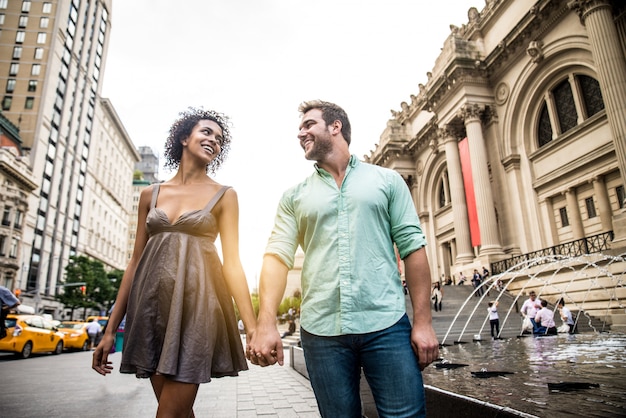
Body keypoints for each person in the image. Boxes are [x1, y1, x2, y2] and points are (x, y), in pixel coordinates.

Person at [249, 100, 439, 417]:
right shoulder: (294, 197)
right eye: (300, 128)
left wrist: (423, 322)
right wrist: (266, 322)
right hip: (321, 333)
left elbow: (413, 249)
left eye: (308, 124)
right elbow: (277, 258)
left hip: (386, 325)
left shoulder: (388, 181)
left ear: (335, 126)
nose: (300, 133)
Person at [91, 107, 257, 417]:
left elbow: (232, 263)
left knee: (167, 414)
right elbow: (135, 263)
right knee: (178, 412)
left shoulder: (225, 196)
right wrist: (111, 330)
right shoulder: (150, 195)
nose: (214, 141)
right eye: (206, 132)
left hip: (198, 312)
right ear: (184, 137)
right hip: (152, 312)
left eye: (219, 139)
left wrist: (253, 327)